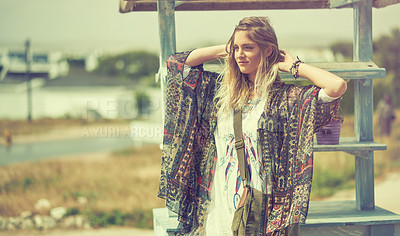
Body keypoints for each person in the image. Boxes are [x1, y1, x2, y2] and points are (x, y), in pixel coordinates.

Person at [158, 17, 347, 235]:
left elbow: (336, 86)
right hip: (217, 201)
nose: (240, 54)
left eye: (248, 47)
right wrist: (226, 48)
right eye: (236, 48)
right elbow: (177, 63)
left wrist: (294, 66)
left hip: (261, 207)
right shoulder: (220, 93)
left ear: (267, 50)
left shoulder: (285, 98)